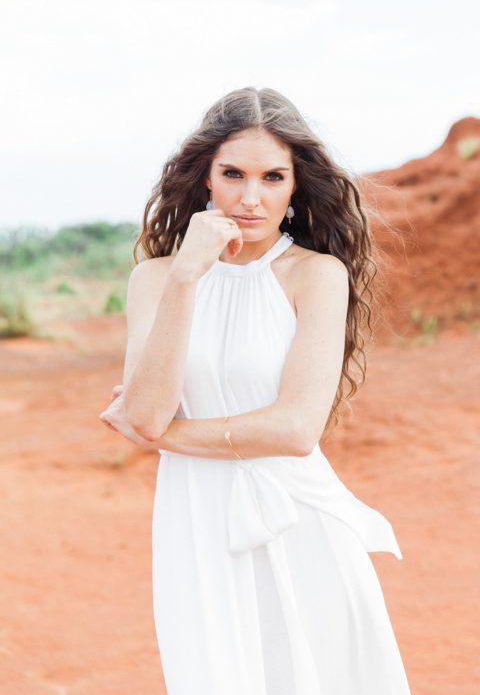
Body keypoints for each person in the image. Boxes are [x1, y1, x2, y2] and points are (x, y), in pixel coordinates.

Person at [99, 87, 411, 693]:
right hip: (195, 526)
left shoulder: (316, 275)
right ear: (205, 180)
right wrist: (189, 274)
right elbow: (147, 408)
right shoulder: (156, 279)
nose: (250, 197)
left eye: (272, 177)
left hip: (301, 522)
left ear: (296, 187)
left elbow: (295, 431)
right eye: (232, 174)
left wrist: (160, 433)